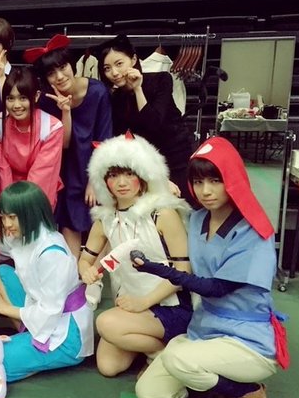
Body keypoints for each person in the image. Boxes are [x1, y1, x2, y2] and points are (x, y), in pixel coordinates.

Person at [131, 136, 286, 398]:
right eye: (198, 181)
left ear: (233, 179)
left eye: (215, 180)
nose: (206, 191)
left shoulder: (253, 231)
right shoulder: (196, 219)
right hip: (204, 328)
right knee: (150, 393)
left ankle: (248, 392)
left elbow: (215, 288)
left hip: (247, 338)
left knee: (178, 360)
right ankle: (205, 376)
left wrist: (155, 268)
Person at [78, 132, 192, 377]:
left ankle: (162, 356)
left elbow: (184, 272)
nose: (122, 182)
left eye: (129, 173)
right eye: (113, 175)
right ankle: (158, 349)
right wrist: (86, 272)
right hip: (130, 305)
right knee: (108, 366)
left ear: (143, 174)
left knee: (105, 323)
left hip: (170, 306)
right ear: (104, 181)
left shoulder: (163, 214)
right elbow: (85, 259)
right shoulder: (105, 219)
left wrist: (144, 302)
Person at [0, 181, 95, 383]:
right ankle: (27, 342)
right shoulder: (28, 233)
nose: (6, 224)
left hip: (65, 332)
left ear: (30, 213)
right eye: (3, 217)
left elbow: (50, 311)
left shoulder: (52, 253)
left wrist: (3, 308)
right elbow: (7, 248)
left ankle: (37, 356)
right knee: (4, 273)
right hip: (42, 312)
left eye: (12, 217)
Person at [25, 34, 112, 258]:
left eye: (63, 67)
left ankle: (93, 276)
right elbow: (63, 144)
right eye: (51, 73)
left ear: (72, 64)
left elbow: (104, 137)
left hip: (92, 164)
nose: (59, 76)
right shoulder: (47, 99)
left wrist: (95, 180)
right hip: (63, 168)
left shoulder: (97, 91)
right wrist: (66, 111)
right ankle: (72, 275)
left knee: (98, 223)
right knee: (68, 220)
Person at [96, 34, 194, 203]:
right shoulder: (115, 98)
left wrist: (138, 89)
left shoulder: (161, 80)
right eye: (107, 68)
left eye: (119, 64)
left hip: (175, 158)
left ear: (133, 59)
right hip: (147, 165)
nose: (114, 73)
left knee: (181, 208)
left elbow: (153, 123)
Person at [0, 66, 64, 237]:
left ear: (36, 96)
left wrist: (22, 210)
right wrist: (9, 207)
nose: (16, 105)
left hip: (38, 192)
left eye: (23, 98)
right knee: (4, 243)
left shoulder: (51, 127)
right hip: (5, 190)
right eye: (10, 98)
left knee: (34, 238)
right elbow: (1, 169)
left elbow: (42, 173)